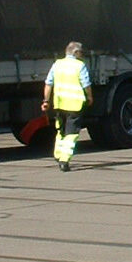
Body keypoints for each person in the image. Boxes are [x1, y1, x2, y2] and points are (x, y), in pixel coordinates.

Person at [41, 41, 93, 172]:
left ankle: (58, 154)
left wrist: (46, 101)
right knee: (72, 133)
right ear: (76, 53)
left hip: (59, 104)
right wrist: (90, 97)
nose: (82, 55)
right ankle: (64, 159)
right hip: (74, 105)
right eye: (81, 52)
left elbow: (48, 84)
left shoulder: (57, 64)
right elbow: (86, 84)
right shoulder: (79, 65)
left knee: (61, 130)